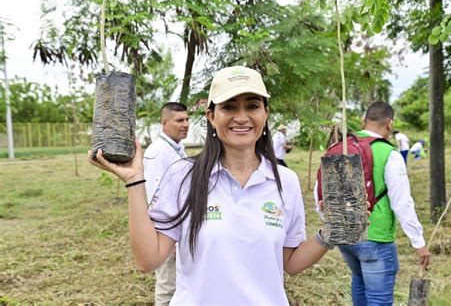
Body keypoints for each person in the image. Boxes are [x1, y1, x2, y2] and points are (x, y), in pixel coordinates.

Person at [89, 66, 333, 304]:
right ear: (211, 117)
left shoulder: (285, 181)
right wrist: (134, 181)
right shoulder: (184, 175)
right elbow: (147, 260)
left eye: (252, 105)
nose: (241, 117)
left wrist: (330, 234)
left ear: (265, 114)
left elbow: (289, 263)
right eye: (229, 107)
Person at [315, 102, 430, 306]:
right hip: (375, 238)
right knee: (378, 299)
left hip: (344, 235)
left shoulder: (340, 146)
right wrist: (419, 243)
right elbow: (402, 203)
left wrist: (329, 220)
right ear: (390, 124)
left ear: (363, 121)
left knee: (359, 282)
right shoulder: (389, 154)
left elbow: (319, 190)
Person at [143, 102, 189, 305]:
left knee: (180, 284)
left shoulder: (177, 148)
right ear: (164, 123)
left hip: (180, 228)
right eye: (179, 120)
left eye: (187, 119)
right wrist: (168, 240)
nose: (186, 124)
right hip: (167, 232)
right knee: (168, 286)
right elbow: (155, 198)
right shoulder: (158, 153)